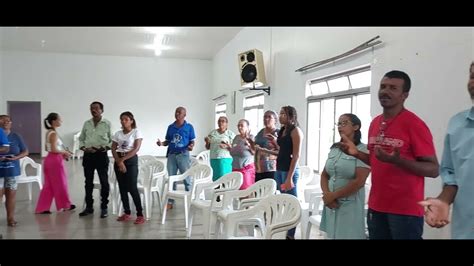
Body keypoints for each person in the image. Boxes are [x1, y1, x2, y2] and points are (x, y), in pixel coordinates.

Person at [339, 70, 439, 239]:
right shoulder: (375, 123)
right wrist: (356, 153)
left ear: (404, 95)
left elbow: (434, 169)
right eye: (383, 86)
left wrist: (399, 161)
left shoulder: (414, 124)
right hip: (377, 206)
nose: (385, 91)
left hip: (405, 211)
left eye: (393, 88)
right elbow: (377, 161)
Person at [419, 62, 474, 239]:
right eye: (472, 76)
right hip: (465, 230)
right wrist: (443, 200)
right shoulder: (457, 124)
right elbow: (452, 176)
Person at [319, 114, 370, 239]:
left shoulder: (363, 150)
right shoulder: (335, 148)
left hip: (349, 205)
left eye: (344, 123)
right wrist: (327, 195)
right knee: (332, 235)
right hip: (331, 203)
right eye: (339, 123)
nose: (340, 126)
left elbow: (359, 181)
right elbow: (325, 174)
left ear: (356, 127)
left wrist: (333, 195)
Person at [35, 113, 76, 214]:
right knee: (61, 183)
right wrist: (64, 152)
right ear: (54, 121)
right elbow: (53, 148)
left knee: (49, 185)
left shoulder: (49, 132)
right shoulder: (53, 134)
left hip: (49, 159)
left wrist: (62, 153)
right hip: (55, 161)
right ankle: (65, 205)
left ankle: (43, 207)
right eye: (59, 119)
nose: (61, 121)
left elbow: (47, 148)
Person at [78, 101, 113, 218]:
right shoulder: (86, 123)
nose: (94, 110)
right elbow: (81, 138)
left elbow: (112, 141)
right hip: (88, 156)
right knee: (88, 182)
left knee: (104, 181)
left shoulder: (107, 124)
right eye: (92, 108)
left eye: (96, 108)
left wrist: (103, 148)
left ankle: (104, 207)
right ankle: (89, 207)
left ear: (102, 110)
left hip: (101, 155)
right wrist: (83, 147)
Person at [156, 106, 196, 209]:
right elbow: (168, 141)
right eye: (176, 112)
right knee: (172, 178)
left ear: (184, 115)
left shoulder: (189, 127)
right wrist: (161, 144)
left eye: (179, 112)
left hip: (183, 155)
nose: (177, 114)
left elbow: (192, 141)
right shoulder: (170, 127)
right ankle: (170, 202)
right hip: (172, 155)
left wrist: (191, 146)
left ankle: (191, 200)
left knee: (186, 178)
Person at [275, 106, 304, 239]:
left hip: (289, 171)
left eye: (283, 114)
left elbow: (296, 156)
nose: (280, 116)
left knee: (292, 203)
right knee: (284, 201)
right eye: (280, 113)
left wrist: (289, 178)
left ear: (291, 117)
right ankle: (285, 229)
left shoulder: (295, 131)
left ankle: (291, 234)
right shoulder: (282, 130)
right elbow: (282, 151)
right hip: (280, 169)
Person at [112, 111, 145, 225]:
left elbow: (136, 149)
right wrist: (118, 161)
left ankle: (140, 214)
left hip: (130, 161)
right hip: (118, 160)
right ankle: (127, 212)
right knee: (122, 187)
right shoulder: (117, 133)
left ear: (131, 120)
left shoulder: (136, 132)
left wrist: (122, 161)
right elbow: (113, 149)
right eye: (122, 119)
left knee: (132, 187)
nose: (123, 121)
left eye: (126, 119)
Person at [0, 115, 29, 227]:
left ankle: (10, 218)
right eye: (3, 120)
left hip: (12, 170)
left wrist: (15, 158)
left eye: (8, 120)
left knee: (11, 195)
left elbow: (25, 151)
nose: (6, 122)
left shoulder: (16, 136)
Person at [205, 116, 236, 181]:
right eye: (219, 121)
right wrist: (207, 142)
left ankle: (225, 190)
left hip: (225, 158)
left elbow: (235, 147)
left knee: (224, 178)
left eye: (223, 121)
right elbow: (208, 147)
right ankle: (216, 190)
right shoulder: (212, 133)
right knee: (216, 178)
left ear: (227, 123)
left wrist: (227, 146)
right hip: (214, 158)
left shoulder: (230, 134)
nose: (220, 123)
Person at [227, 119, 255, 189]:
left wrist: (249, 144)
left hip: (246, 169)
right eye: (238, 126)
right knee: (237, 191)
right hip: (235, 169)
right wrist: (228, 148)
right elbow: (233, 151)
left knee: (246, 192)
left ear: (247, 127)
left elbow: (254, 152)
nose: (239, 127)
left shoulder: (251, 138)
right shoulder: (236, 137)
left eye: (242, 126)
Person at [253, 110, 279, 182]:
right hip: (258, 167)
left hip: (271, 168)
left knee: (270, 190)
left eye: (269, 117)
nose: (266, 119)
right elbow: (255, 147)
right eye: (264, 117)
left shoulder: (278, 133)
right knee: (259, 191)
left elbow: (281, 151)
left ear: (275, 120)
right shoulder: (261, 132)